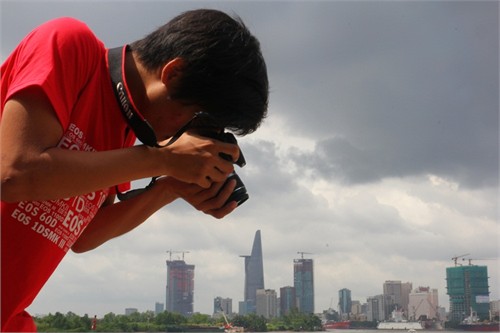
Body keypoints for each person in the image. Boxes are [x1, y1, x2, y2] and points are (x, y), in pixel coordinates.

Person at [0, 9, 268, 332]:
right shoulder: (70, 45)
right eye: (200, 120)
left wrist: (170, 187)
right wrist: (162, 159)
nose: (192, 138)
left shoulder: (128, 133)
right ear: (173, 73)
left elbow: (84, 235)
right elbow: (14, 172)